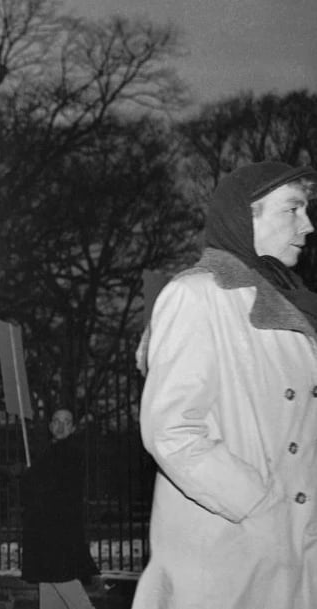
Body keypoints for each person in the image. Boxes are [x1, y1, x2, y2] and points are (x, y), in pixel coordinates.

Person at [134, 161, 317, 607]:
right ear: (245, 215)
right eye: (292, 209)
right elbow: (171, 430)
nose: (308, 225)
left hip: (295, 549)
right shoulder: (198, 297)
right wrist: (259, 503)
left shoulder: (297, 304)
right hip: (230, 554)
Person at [20, 409, 98, 609]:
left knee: (63, 579)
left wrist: (29, 478)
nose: (61, 426)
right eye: (56, 421)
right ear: (50, 425)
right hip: (46, 531)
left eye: (66, 422)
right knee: (48, 586)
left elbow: (51, 487)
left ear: (72, 428)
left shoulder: (72, 452)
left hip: (60, 532)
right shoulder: (50, 451)